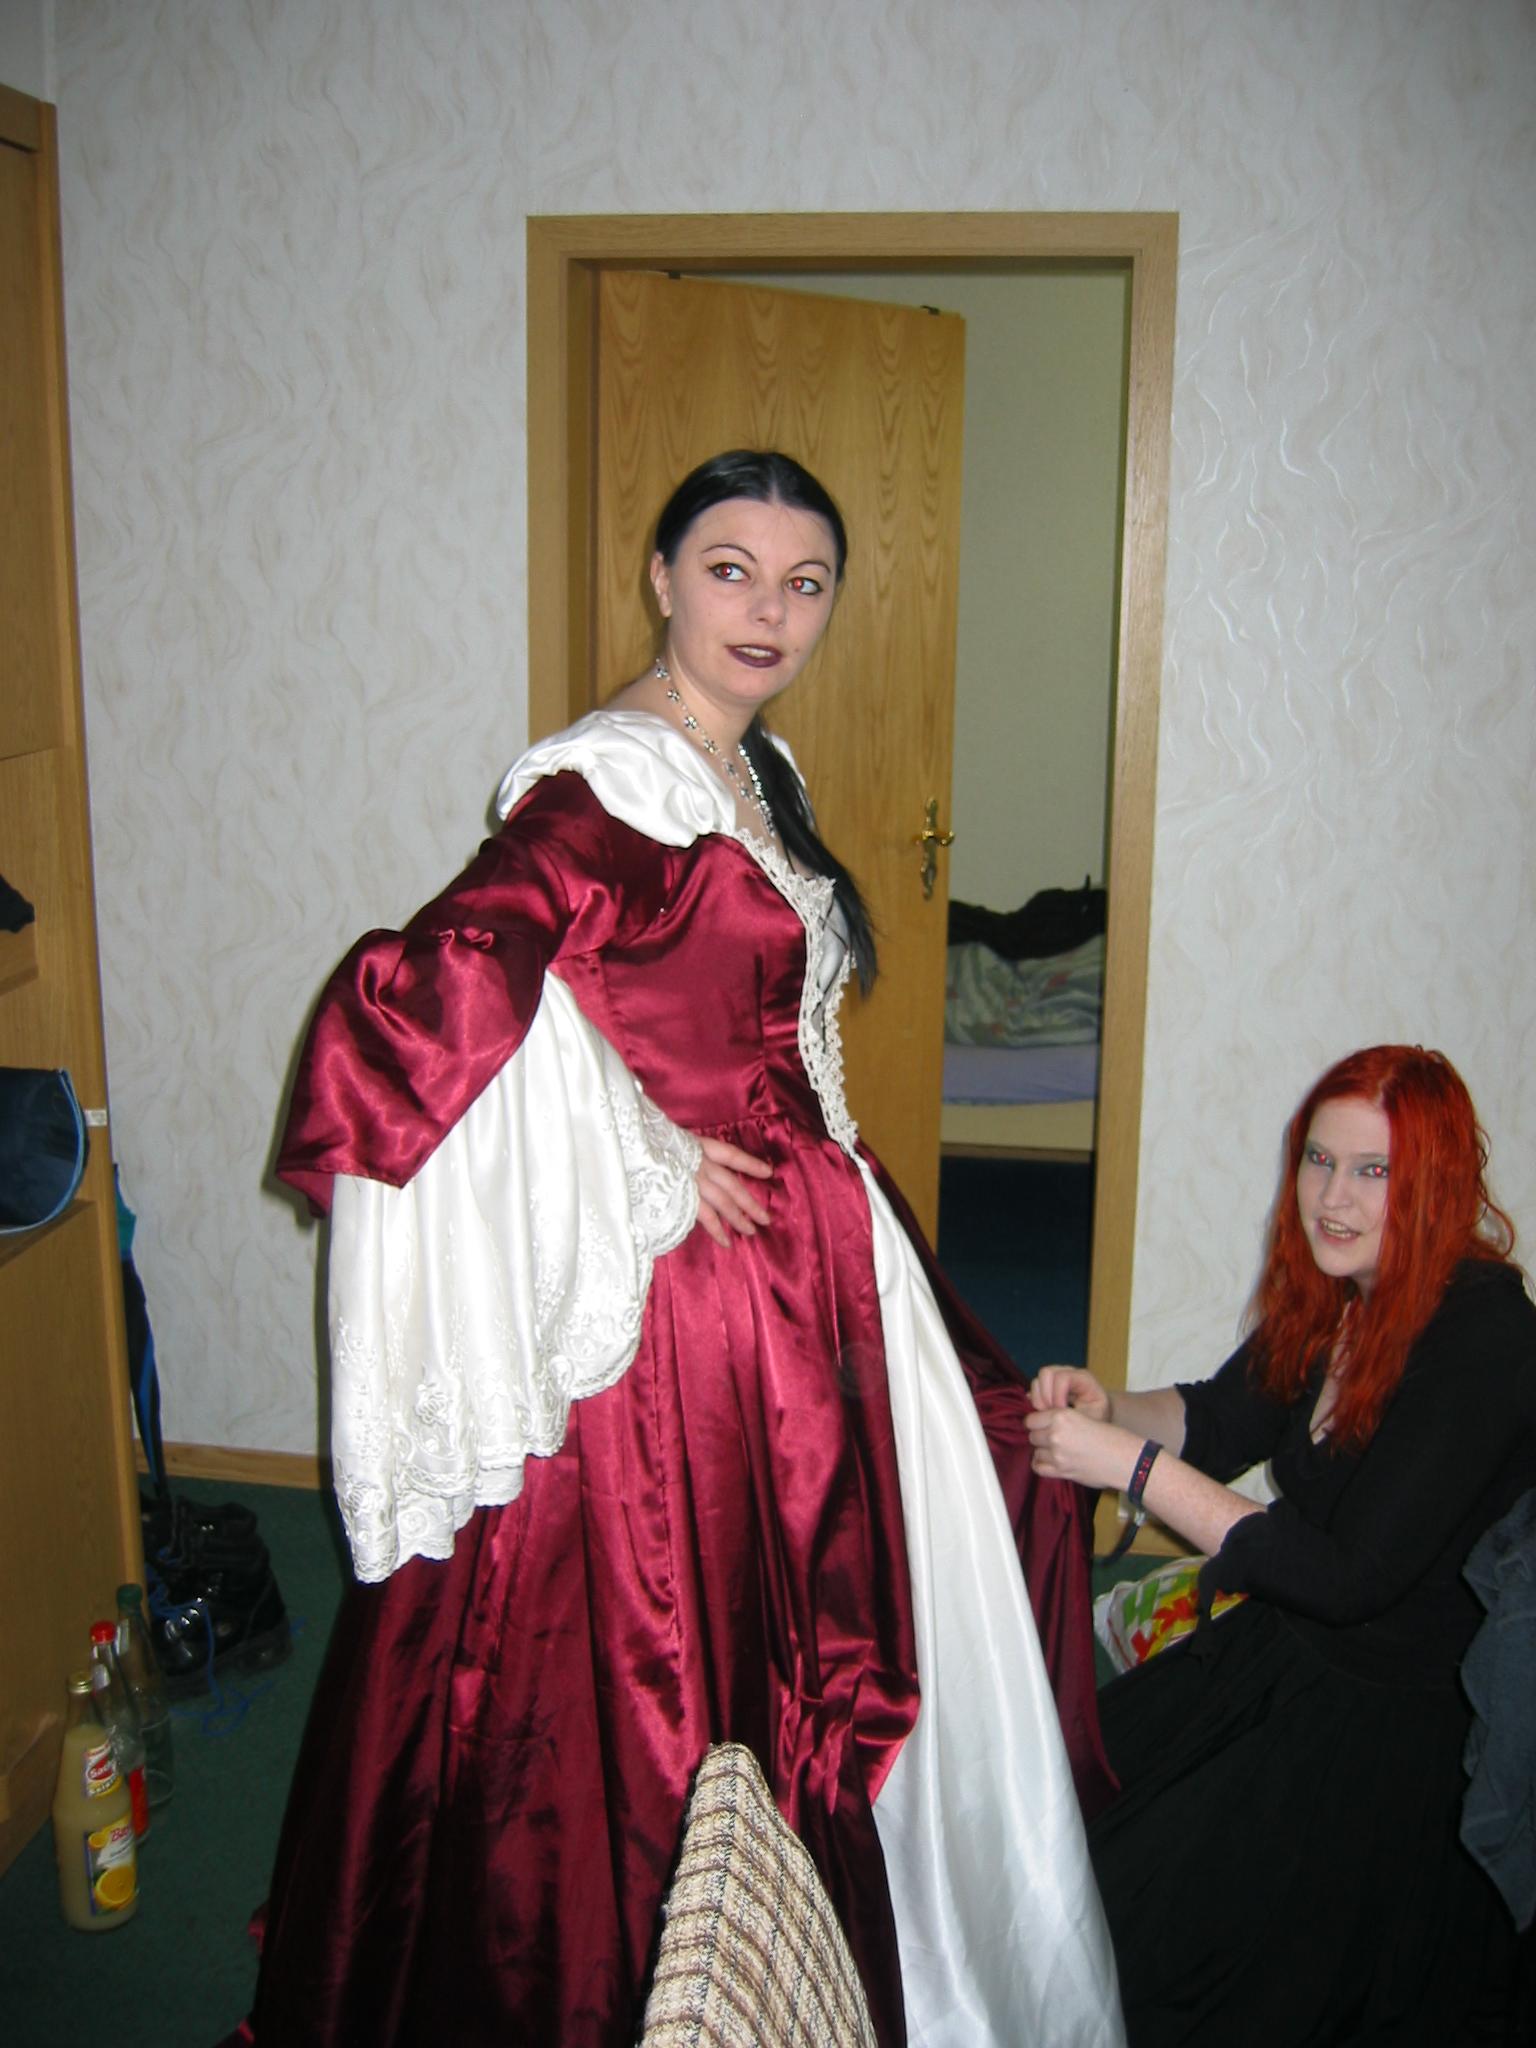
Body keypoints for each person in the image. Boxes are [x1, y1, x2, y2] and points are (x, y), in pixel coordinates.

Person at [244, 451, 1125, 2047]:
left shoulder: (747, 763)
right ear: (660, 578)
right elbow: (434, 997)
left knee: (927, 1533)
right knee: (679, 1646)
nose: (768, 610)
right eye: (730, 569)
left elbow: (654, 996)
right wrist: (641, 1150)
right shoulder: (605, 785)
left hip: (821, 1249)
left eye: (805, 582)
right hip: (700, 1306)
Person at [1025, 1044, 1536, 2046]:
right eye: (1319, 1159)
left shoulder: (1486, 1338)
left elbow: (1349, 1578)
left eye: (1373, 1170)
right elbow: (1222, 1418)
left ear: (1433, 1183)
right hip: (1288, 1655)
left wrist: (1129, 1466)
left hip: (1394, 1735)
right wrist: (1110, 1405)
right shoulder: (1341, 1288)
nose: (1332, 1198)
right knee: (1075, 1827)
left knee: (1160, 1944)